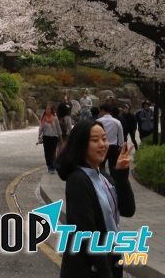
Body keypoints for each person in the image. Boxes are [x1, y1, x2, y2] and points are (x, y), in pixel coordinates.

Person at [56, 118, 135, 278]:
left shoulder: (103, 176)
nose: (102, 144)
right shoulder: (78, 180)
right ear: (81, 144)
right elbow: (87, 232)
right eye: (95, 140)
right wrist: (105, 271)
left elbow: (128, 210)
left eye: (104, 139)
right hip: (89, 266)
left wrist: (120, 174)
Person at [97, 103, 124, 175]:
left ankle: (102, 181)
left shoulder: (98, 121)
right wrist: (121, 145)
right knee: (113, 167)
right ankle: (113, 182)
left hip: (101, 146)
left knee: (100, 166)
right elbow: (121, 135)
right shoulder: (117, 122)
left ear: (102, 110)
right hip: (113, 147)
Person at [38, 104, 62, 173]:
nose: (47, 110)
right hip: (46, 137)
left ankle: (52, 166)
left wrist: (61, 137)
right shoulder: (43, 118)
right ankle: (49, 166)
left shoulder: (55, 119)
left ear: (51, 110)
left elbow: (58, 128)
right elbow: (40, 128)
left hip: (54, 138)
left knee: (52, 152)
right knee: (47, 153)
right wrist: (39, 137)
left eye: (49, 109)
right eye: (46, 109)